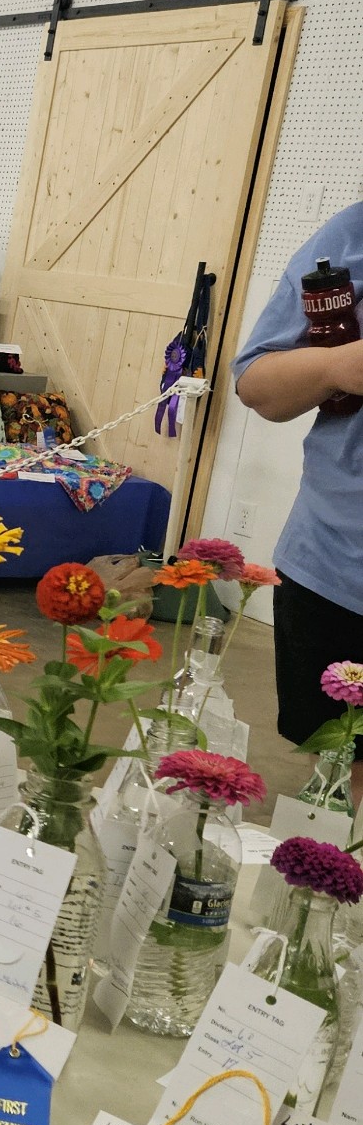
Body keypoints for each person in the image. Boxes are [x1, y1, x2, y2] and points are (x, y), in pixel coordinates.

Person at [233, 209, 363, 799]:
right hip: (337, 570)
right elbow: (258, 386)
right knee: (339, 776)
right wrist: (338, 364)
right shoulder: (350, 236)